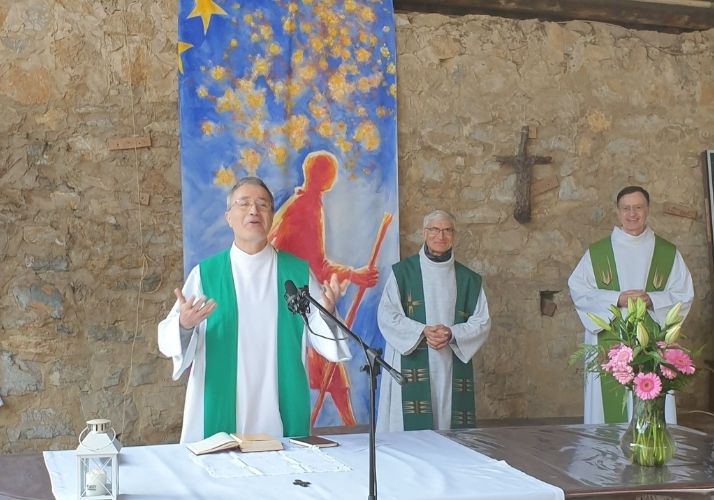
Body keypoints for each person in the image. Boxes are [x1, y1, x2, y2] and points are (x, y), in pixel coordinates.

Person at [158, 176, 350, 444]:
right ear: (228, 217)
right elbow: (168, 338)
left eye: (262, 205)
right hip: (220, 404)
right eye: (244, 204)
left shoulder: (296, 274)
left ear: (271, 216)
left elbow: (325, 341)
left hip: (279, 403)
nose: (253, 211)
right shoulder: (206, 274)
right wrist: (184, 325)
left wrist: (326, 313)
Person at [268, 150, 378, 426]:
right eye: (329, 172)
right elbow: (314, 265)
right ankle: (346, 424)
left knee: (329, 365)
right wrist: (354, 274)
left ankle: (348, 423)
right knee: (324, 362)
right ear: (322, 176)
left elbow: (313, 262)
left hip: (299, 297)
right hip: (293, 301)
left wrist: (352, 275)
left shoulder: (306, 203)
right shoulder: (303, 208)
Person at [568, 185, 693, 424]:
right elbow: (579, 290)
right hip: (610, 338)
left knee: (653, 408)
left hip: (652, 342)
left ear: (647, 210)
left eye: (638, 207)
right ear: (618, 211)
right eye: (626, 208)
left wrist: (652, 300)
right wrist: (616, 299)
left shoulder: (667, 253)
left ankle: (651, 449)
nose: (632, 214)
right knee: (608, 413)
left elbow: (684, 294)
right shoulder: (597, 253)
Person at [376, 210, 491, 431]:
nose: (441, 236)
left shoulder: (468, 279)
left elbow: (482, 321)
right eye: (435, 230)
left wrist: (452, 334)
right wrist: (422, 331)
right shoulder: (403, 273)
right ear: (424, 233)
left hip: (448, 360)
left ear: (454, 235)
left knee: (446, 421)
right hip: (412, 355)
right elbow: (387, 315)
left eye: (447, 230)